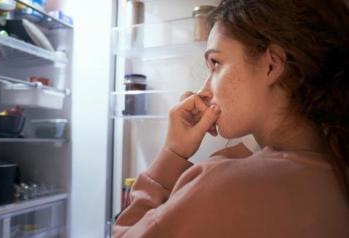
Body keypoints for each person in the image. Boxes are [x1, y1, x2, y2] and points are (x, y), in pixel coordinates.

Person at [112, 0, 349, 237]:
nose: (204, 90)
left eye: (215, 63)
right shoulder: (338, 176)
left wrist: (171, 153)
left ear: (272, 65)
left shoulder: (223, 185)